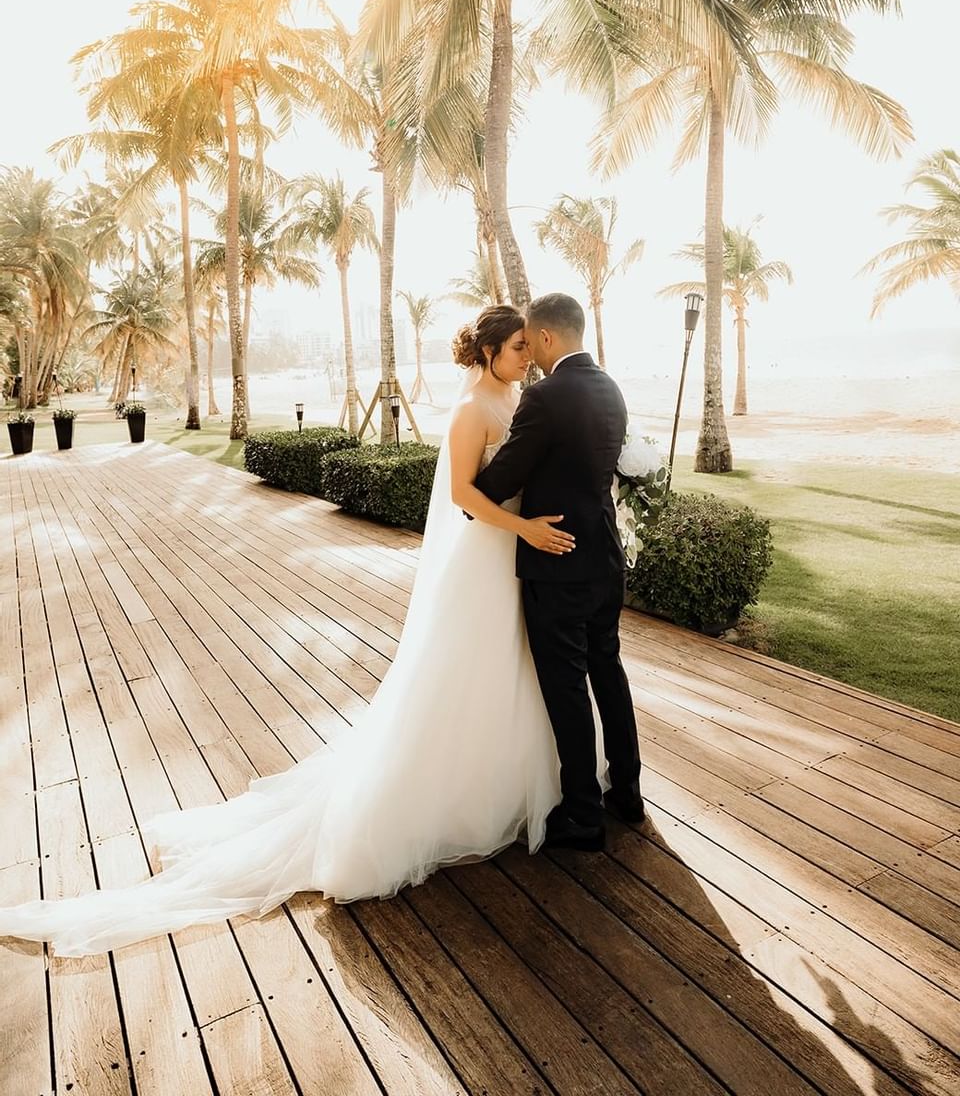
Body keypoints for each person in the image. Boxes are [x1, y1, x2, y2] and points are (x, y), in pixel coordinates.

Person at [0, 305, 599, 958]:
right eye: (514, 348)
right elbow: (463, 496)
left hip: (515, 563)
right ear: (487, 353)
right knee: (465, 674)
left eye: (523, 348)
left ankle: (516, 784)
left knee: (513, 673)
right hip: (487, 556)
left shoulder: (517, 398)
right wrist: (526, 529)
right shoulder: (471, 411)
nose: (523, 357)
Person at [474, 292, 643, 852]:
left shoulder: (544, 397)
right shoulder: (609, 388)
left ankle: (583, 815)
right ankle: (629, 792)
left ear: (545, 338)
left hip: (558, 566)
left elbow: (497, 484)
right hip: (604, 562)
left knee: (567, 689)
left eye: (530, 341)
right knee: (608, 674)